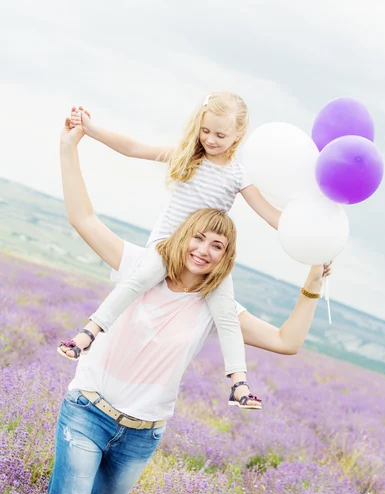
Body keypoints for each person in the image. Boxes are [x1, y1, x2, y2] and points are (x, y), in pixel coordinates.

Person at [39, 117, 331, 494]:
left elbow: (286, 341)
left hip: (143, 432)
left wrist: (313, 283)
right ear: (182, 238)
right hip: (87, 410)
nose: (203, 251)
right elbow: (83, 217)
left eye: (217, 246)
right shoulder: (139, 265)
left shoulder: (217, 308)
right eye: (199, 238)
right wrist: (69, 147)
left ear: (225, 259)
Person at [58, 92, 283, 410]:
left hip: (204, 259)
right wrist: (92, 130)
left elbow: (268, 213)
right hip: (167, 245)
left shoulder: (237, 175)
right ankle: (89, 332)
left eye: (220, 135)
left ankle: (238, 383)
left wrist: (304, 233)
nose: (211, 139)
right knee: (139, 279)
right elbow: (132, 148)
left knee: (227, 315)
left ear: (237, 136)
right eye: (206, 131)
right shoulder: (189, 156)